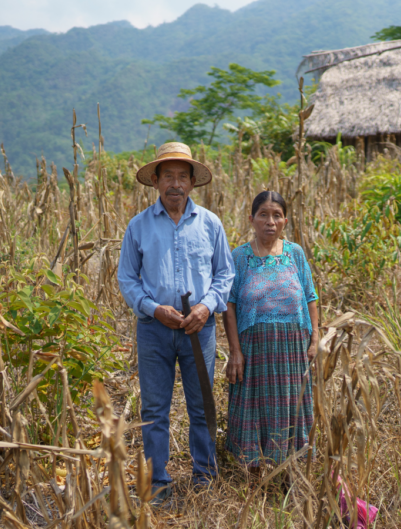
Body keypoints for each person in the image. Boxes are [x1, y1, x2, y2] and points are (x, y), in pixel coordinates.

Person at [117, 142, 234, 503]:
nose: (175, 184)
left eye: (182, 177)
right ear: (155, 181)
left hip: (201, 329)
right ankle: (157, 484)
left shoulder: (210, 223)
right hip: (155, 330)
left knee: (202, 405)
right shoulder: (138, 227)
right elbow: (127, 279)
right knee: (154, 409)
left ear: (192, 183)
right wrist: (155, 309)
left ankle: (205, 476)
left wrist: (206, 307)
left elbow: (225, 274)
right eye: (168, 176)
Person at [223, 191, 319, 481]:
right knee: (254, 407)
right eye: (263, 214)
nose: (270, 221)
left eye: (277, 215)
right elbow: (229, 305)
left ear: (285, 221)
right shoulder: (239, 257)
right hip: (254, 350)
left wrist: (314, 340)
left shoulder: (295, 253)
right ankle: (253, 477)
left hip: (293, 348)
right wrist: (235, 351)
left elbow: (311, 296)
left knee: (292, 404)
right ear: (251, 219)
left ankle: (291, 474)